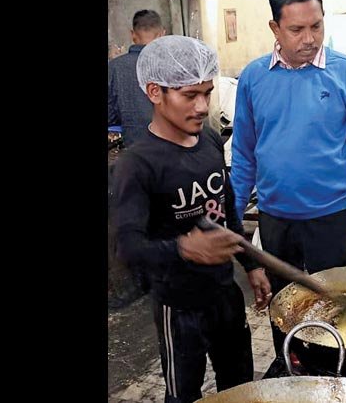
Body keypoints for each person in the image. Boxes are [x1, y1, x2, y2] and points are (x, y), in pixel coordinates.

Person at [230, 0, 346, 374]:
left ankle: (333, 378)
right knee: (283, 312)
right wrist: (233, 222)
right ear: (275, 28)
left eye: (316, 26)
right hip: (275, 222)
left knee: (333, 312)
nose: (310, 38)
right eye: (297, 29)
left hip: (330, 220)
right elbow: (244, 156)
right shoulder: (253, 79)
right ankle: (290, 375)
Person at [112, 35, 272, 403]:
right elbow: (126, 247)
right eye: (190, 95)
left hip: (225, 295)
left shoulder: (210, 141)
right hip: (179, 305)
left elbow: (227, 210)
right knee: (183, 395)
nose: (202, 106)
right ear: (155, 92)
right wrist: (184, 248)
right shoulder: (137, 165)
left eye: (207, 93)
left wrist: (251, 265)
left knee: (240, 388)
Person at [108, 9, 166, 147]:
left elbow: (110, 115)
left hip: (133, 149)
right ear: (162, 34)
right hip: (173, 147)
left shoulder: (115, 67)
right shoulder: (172, 64)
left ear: (133, 34)